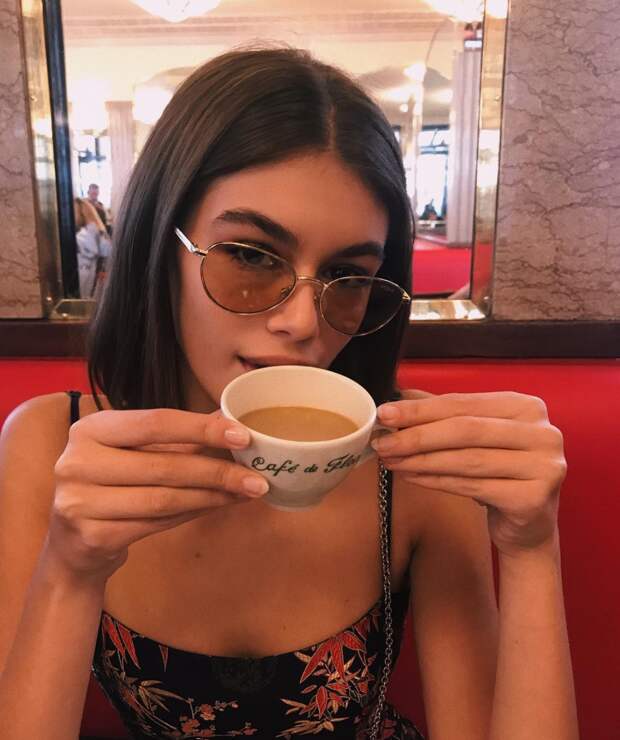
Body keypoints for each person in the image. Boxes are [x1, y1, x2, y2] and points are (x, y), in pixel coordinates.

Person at [0, 48, 578, 739]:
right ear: (161, 243)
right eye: (250, 255)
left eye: (347, 275)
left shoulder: (416, 458)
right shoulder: (52, 446)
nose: (303, 322)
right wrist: (71, 570)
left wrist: (532, 549)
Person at [74, 197, 111, 298]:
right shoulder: (97, 232)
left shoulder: (84, 235)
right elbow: (107, 252)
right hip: (90, 276)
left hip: (83, 276)